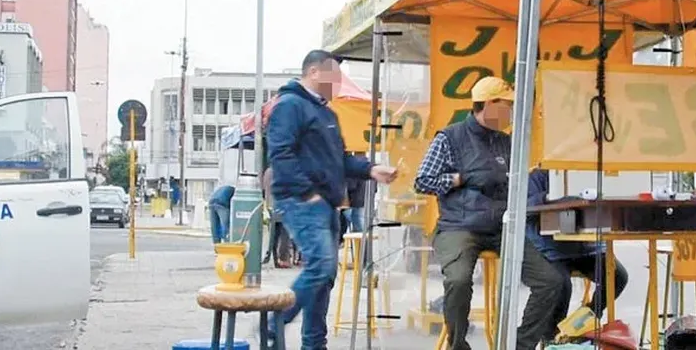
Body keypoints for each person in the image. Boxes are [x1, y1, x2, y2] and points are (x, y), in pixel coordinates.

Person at [414, 76, 565, 350]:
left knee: (551, 281)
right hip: (458, 226)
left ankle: (521, 345)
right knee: (459, 281)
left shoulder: (507, 143)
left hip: (501, 227)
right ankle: (458, 344)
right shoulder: (449, 137)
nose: (511, 112)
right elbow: (422, 180)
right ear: (487, 104)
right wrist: (459, 179)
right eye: (507, 105)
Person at [266, 49, 398, 350]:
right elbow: (281, 154)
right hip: (303, 201)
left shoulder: (326, 113)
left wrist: (371, 169)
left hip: (327, 204)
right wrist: (308, 193)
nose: (339, 83)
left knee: (325, 279)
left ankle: (314, 344)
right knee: (321, 266)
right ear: (314, 72)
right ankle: (275, 319)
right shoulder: (289, 106)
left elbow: (338, 161)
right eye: (334, 76)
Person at [526, 167, 628, 334]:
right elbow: (524, 208)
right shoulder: (538, 175)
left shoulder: (590, 170)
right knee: (561, 285)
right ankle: (553, 336)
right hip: (551, 250)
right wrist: (546, 198)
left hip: (588, 248)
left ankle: (585, 319)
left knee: (617, 276)